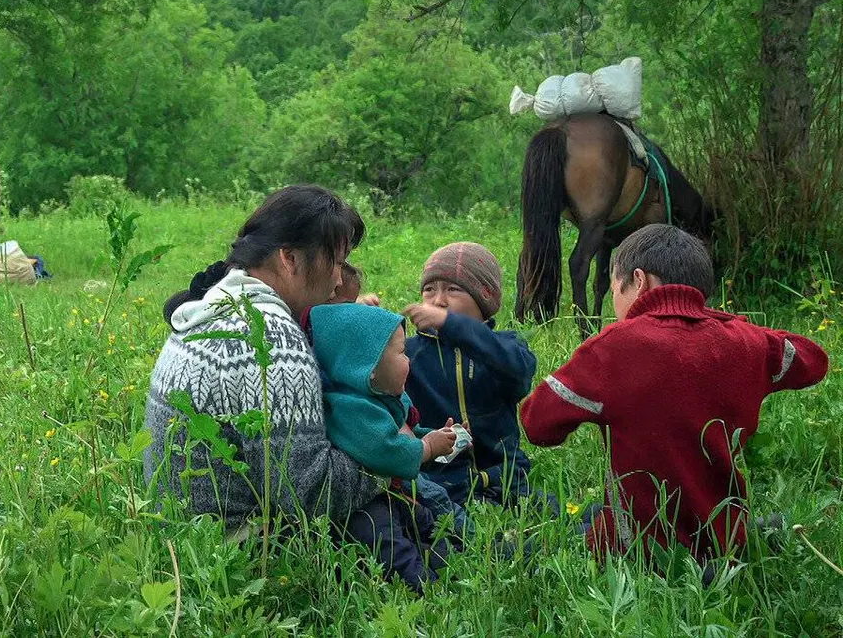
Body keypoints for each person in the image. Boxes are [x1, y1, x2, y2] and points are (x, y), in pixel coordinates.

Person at [520, 224, 829, 564]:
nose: (615, 306)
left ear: (639, 281)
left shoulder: (611, 348)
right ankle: (740, 547)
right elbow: (813, 359)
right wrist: (725, 323)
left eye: (614, 291)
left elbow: (536, 424)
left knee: (525, 548)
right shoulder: (747, 343)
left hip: (636, 548)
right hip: (722, 538)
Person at [145, 185, 382, 537]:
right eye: (335, 261)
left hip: (183, 541)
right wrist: (392, 459)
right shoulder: (272, 338)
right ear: (289, 259)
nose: (338, 279)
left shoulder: (216, 306)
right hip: (241, 553)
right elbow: (311, 495)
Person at [302, 302, 462, 592]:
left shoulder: (374, 397)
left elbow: (402, 432)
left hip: (391, 494)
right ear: (368, 368)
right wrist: (427, 446)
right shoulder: (351, 408)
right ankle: (424, 589)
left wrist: (437, 436)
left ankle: (454, 561)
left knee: (427, 522)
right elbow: (386, 449)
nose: (409, 359)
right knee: (390, 546)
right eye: (401, 352)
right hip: (363, 506)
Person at [368, 243, 540, 510]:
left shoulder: (506, 347)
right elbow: (365, 372)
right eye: (429, 290)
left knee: (565, 521)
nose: (439, 300)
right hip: (440, 481)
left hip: (506, 479)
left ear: (484, 298)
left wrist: (452, 326)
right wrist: (361, 317)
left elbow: (519, 371)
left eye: (453, 289)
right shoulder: (409, 353)